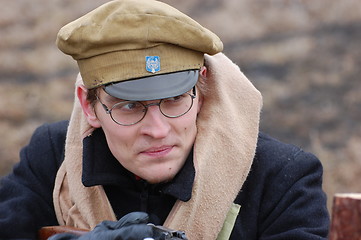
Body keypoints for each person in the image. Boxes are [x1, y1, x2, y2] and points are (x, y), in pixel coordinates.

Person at [0, 0, 330, 239]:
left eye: (174, 101)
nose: (158, 130)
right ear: (89, 107)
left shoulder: (281, 178)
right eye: (130, 107)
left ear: (201, 90)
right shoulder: (51, 158)